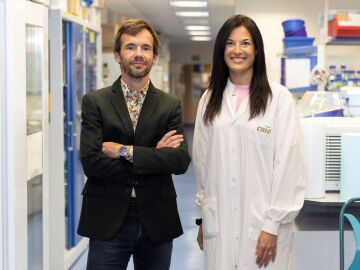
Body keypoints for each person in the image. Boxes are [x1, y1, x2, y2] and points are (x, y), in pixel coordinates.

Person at [192, 15, 306, 270]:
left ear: (256, 50)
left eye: (245, 43)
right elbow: (202, 162)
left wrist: (272, 225)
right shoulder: (209, 99)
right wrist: (204, 218)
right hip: (219, 220)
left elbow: (288, 165)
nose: (237, 50)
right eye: (230, 43)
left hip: (263, 224)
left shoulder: (279, 99)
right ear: (222, 49)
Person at [77, 19, 191, 270]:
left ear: (155, 55)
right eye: (130, 47)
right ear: (118, 55)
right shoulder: (96, 102)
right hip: (108, 216)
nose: (138, 54)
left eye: (145, 48)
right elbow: (92, 163)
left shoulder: (169, 105)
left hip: (157, 217)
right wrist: (155, 158)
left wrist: (123, 151)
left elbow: (180, 161)